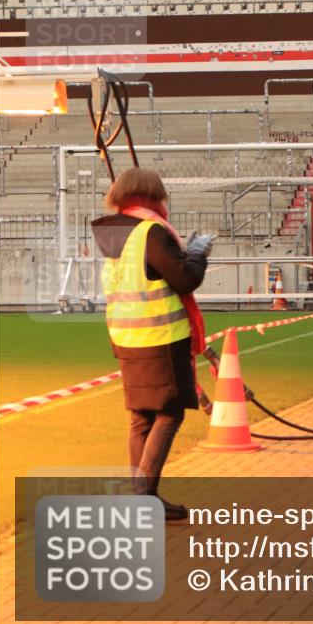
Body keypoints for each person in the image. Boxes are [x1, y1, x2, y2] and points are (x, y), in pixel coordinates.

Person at [92, 168, 213, 523]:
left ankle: (143, 496)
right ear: (153, 194)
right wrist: (197, 252)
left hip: (126, 336)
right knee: (168, 412)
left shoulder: (114, 233)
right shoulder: (150, 231)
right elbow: (185, 278)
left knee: (141, 415)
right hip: (160, 337)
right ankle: (144, 499)